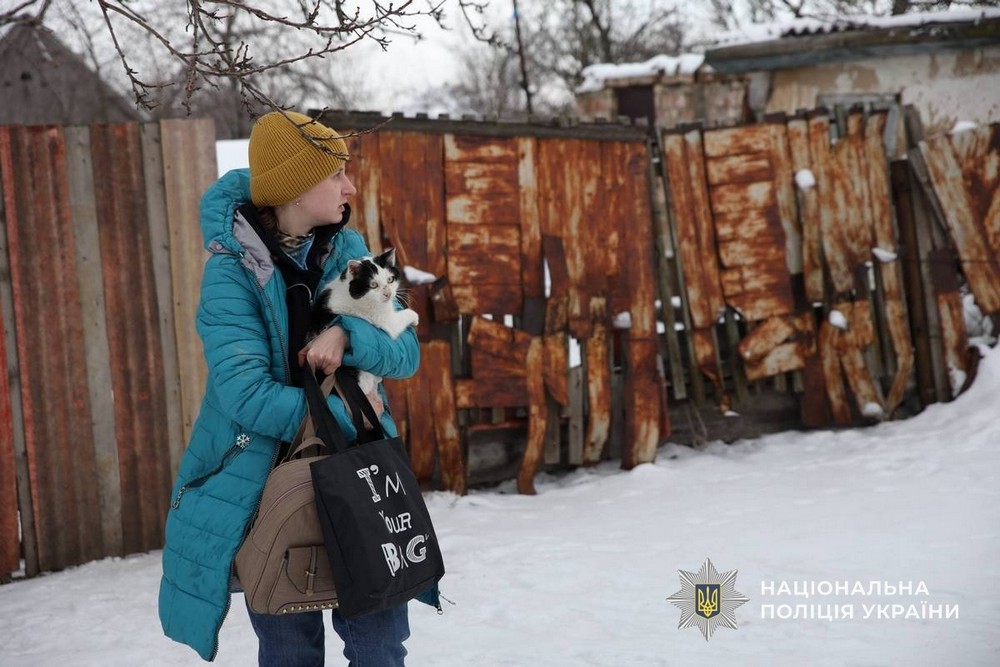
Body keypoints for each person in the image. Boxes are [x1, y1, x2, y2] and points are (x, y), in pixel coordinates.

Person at [158, 111, 436, 665]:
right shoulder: (231, 274)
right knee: (291, 651)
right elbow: (246, 396)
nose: (349, 188)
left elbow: (406, 354)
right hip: (268, 480)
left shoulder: (350, 250)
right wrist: (346, 416)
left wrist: (348, 334)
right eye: (336, 175)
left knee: (381, 647)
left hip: (359, 477)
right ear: (296, 186)